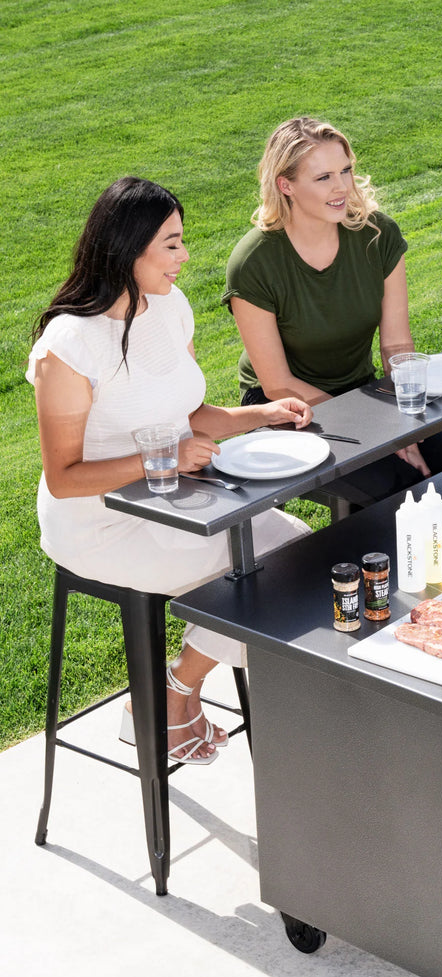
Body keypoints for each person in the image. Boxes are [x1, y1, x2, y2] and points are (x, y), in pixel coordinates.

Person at [29, 177, 312, 766]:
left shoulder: (170, 307)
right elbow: (63, 476)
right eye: (172, 245)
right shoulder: (71, 344)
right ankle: (169, 696)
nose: (185, 258)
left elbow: (187, 414)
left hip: (172, 496)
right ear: (128, 250)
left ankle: (177, 685)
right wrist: (161, 459)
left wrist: (262, 413)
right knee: (263, 570)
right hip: (100, 523)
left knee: (299, 553)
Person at [224, 117, 442, 506]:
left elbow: (396, 344)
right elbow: (279, 383)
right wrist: (380, 432)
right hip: (283, 409)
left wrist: (407, 416)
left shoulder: (376, 235)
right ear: (286, 185)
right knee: (397, 484)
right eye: (323, 177)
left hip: (362, 391)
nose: (341, 187)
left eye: (346, 170)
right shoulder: (253, 262)